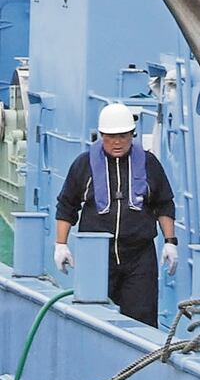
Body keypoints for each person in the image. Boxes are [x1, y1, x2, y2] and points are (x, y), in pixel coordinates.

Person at [55, 103, 178, 327]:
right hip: (97, 257)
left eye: (123, 136)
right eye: (111, 137)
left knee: (142, 319)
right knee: (92, 316)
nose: (117, 142)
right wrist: (60, 244)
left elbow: (164, 204)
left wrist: (170, 242)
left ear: (132, 135)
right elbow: (67, 205)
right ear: (102, 136)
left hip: (139, 256)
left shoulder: (149, 164)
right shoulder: (84, 165)